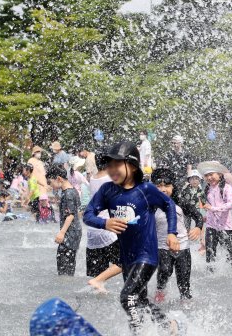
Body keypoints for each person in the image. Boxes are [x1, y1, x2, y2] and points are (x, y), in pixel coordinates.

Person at [83, 141, 180, 334]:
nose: (112, 170)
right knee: (139, 300)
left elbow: (169, 205)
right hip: (127, 257)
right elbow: (88, 214)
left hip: (147, 256)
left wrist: (172, 233)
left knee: (127, 297)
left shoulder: (146, 190)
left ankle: (138, 333)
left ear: (133, 166)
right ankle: (168, 326)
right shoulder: (107, 190)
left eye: (117, 165)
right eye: (109, 166)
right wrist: (105, 223)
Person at [152, 168, 202, 303]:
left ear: (173, 186)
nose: (163, 189)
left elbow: (198, 216)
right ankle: (160, 292)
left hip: (183, 247)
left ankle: (185, 302)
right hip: (162, 247)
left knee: (184, 279)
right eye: (159, 186)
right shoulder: (151, 205)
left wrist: (198, 227)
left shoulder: (180, 203)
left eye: (167, 186)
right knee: (165, 271)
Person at [86, 152, 121, 291]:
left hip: (92, 231)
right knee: (128, 259)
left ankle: (99, 289)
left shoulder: (93, 178)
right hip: (107, 229)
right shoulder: (110, 179)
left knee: (99, 275)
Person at [199, 161, 232, 271]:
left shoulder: (226, 187)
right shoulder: (207, 189)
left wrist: (214, 209)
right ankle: (210, 273)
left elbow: (231, 203)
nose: (209, 178)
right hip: (211, 225)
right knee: (210, 250)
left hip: (225, 226)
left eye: (211, 174)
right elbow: (205, 205)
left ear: (219, 175)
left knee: (229, 251)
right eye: (206, 176)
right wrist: (204, 215)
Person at [47, 164, 82, 276]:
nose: (50, 185)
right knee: (68, 263)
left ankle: (65, 287)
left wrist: (62, 233)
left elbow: (71, 215)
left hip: (69, 234)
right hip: (74, 232)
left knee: (63, 265)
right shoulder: (73, 191)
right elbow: (78, 212)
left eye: (50, 182)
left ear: (58, 179)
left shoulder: (68, 193)